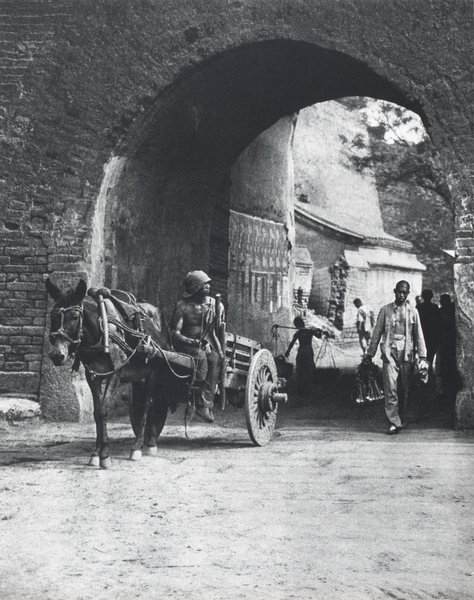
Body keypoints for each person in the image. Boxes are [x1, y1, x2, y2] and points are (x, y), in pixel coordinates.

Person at [364, 280, 428, 435]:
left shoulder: (413, 311)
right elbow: (377, 333)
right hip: (390, 352)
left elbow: (418, 334)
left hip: (406, 354)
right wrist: (369, 354)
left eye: (404, 292)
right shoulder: (385, 310)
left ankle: (403, 416)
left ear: (408, 293)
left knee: (405, 388)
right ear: (395, 291)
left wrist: (423, 356)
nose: (401, 295)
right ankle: (393, 422)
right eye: (399, 292)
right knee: (390, 387)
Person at [171, 270, 224, 423]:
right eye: (204, 285)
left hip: (202, 344)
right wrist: (189, 341)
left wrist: (217, 350)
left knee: (214, 359)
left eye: (208, 284)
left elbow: (212, 332)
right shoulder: (183, 306)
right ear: (195, 287)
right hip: (185, 346)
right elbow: (176, 333)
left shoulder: (210, 307)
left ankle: (204, 404)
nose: (208, 287)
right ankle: (194, 394)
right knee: (201, 358)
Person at [285, 316, 321, 394]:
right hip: (308, 351)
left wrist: (287, 351)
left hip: (302, 351)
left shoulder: (299, 333)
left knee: (302, 369)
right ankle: (306, 387)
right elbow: (319, 336)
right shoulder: (308, 331)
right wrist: (318, 331)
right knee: (307, 368)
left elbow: (292, 343)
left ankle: (304, 388)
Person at [416, 289, 440, 367]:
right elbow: (437, 323)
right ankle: (428, 372)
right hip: (432, 336)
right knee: (430, 357)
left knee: (422, 356)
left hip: (422, 335)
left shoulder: (419, 307)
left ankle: (422, 373)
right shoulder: (435, 307)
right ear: (431, 297)